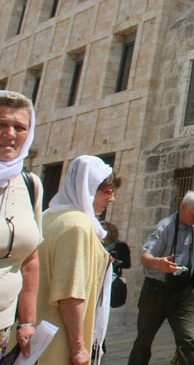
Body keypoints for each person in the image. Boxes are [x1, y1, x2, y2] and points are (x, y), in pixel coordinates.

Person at [37, 155, 120, 364]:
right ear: (88, 188)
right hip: (58, 341)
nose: (112, 199)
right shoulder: (77, 225)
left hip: (38, 333)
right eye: (107, 192)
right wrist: (78, 347)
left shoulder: (48, 216)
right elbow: (70, 293)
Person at [0, 90, 42, 363]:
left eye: (19, 127)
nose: (10, 133)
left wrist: (27, 322)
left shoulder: (30, 185)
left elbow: (30, 258)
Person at [128, 191, 194, 365]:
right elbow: (145, 257)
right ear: (183, 207)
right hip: (156, 292)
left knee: (187, 340)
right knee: (144, 340)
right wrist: (159, 263)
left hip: (183, 293)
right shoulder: (165, 227)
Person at [102, 221, 131, 306]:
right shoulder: (98, 245)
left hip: (111, 279)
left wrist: (114, 261)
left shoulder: (121, 247)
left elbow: (127, 264)